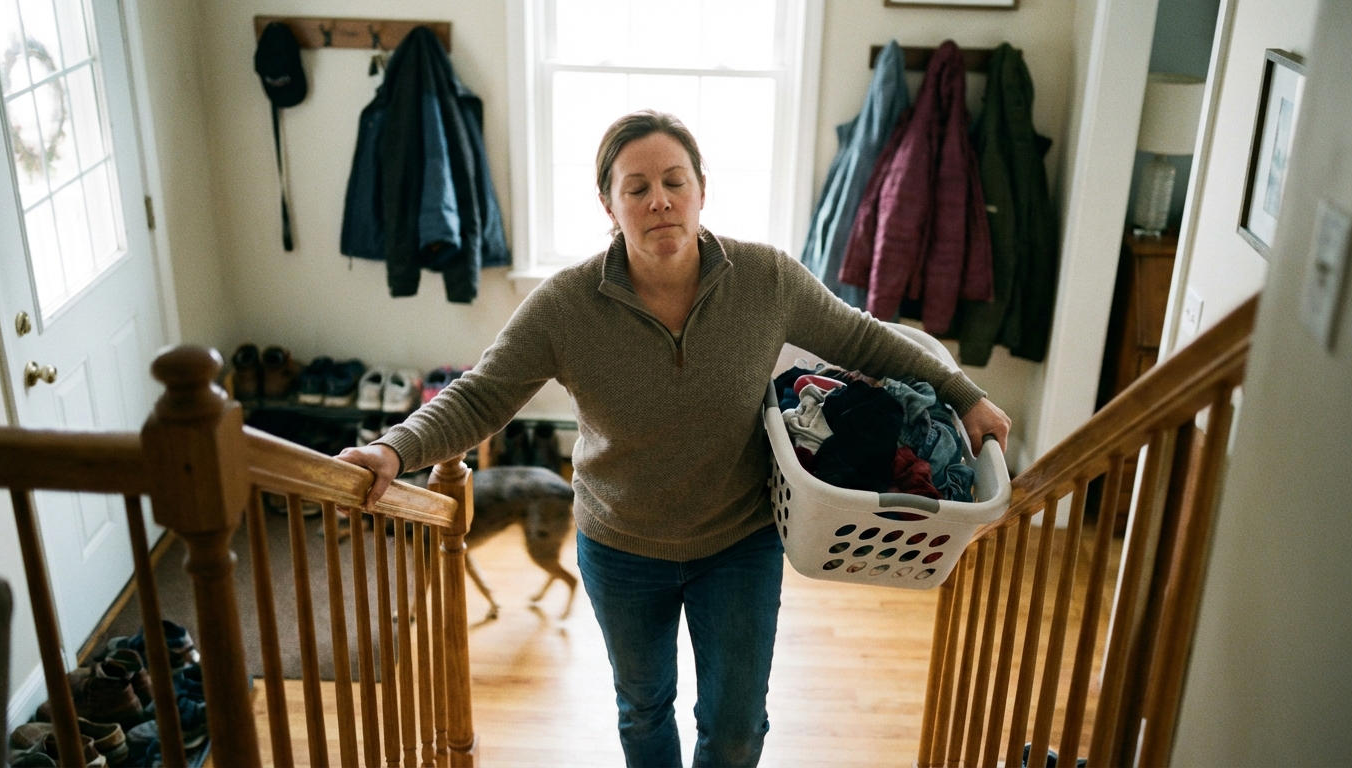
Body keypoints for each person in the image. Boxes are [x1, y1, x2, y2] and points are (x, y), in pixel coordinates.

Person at [338, 110, 1011, 768]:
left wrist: (965, 394)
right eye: (636, 187)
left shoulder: (767, 280)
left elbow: (865, 337)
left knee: (737, 728)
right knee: (643, 711)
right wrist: (394, 449)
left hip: (738, 543)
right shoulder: (564, 306)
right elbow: (482, 393)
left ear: (700, 190)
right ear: (609, 204)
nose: (659, 201)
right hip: (621, 547)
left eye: (674, 181)